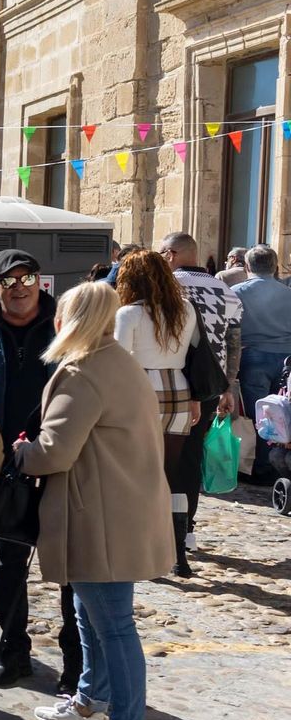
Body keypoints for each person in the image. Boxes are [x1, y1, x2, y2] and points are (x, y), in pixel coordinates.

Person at [15, 283, 173, 720]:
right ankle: (90, 705)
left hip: (101, 514)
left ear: (70, 319)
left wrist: (19, 453)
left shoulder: (85, 372)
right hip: (118, 507)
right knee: (90, 614)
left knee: (113, 626)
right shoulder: (118, 361)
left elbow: (53, 453)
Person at [0, 248, 74, 689]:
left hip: (59, 462)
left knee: (68, 567)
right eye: (9, 281)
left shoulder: (63, 327)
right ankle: (12, 650)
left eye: (28, 278)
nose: (21, 288)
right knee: (7, 564)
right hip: (4, 467)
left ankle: (75, 664)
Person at [113, 249, 198, 576]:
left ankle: (141, 551)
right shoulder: (187, 310)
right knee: (170, 475)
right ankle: (179, 555)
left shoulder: (129, 314)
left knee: (137, 473)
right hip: (178, 390)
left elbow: (120, 361)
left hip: (141, 390)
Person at [159, 232, 241, 551]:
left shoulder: (169, 287)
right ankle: (186, 528)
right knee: (190, 457)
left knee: (161, 457)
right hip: (208, 385)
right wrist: (228, 386)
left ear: (170, 254)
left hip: (169, 382)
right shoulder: (226, 292)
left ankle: (159, 527)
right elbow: (234, 345)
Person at [233, 245, 291, 483]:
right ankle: (278, 466)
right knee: (283, 414)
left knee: (259, 416)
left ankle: (260, 467)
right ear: (275, 267)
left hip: (253, 356)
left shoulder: (237, 291)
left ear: (247, 267)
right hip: (286, 358)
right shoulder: (288, 292)